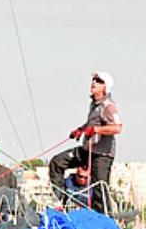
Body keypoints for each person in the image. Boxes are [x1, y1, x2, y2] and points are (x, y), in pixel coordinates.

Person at [48, 71, 122, 214]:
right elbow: (91, 123)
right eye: (93, 80)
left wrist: (96, 130)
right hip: (87, 150)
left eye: (98, 81)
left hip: (102, 155)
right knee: (57, 163)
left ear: (105, 87)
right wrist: (80, 130)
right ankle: (66, 202)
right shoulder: (93, 105)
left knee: (100, 189)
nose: (93, 82)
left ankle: (104, 220)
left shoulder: (108, 106)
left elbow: (117, 128)